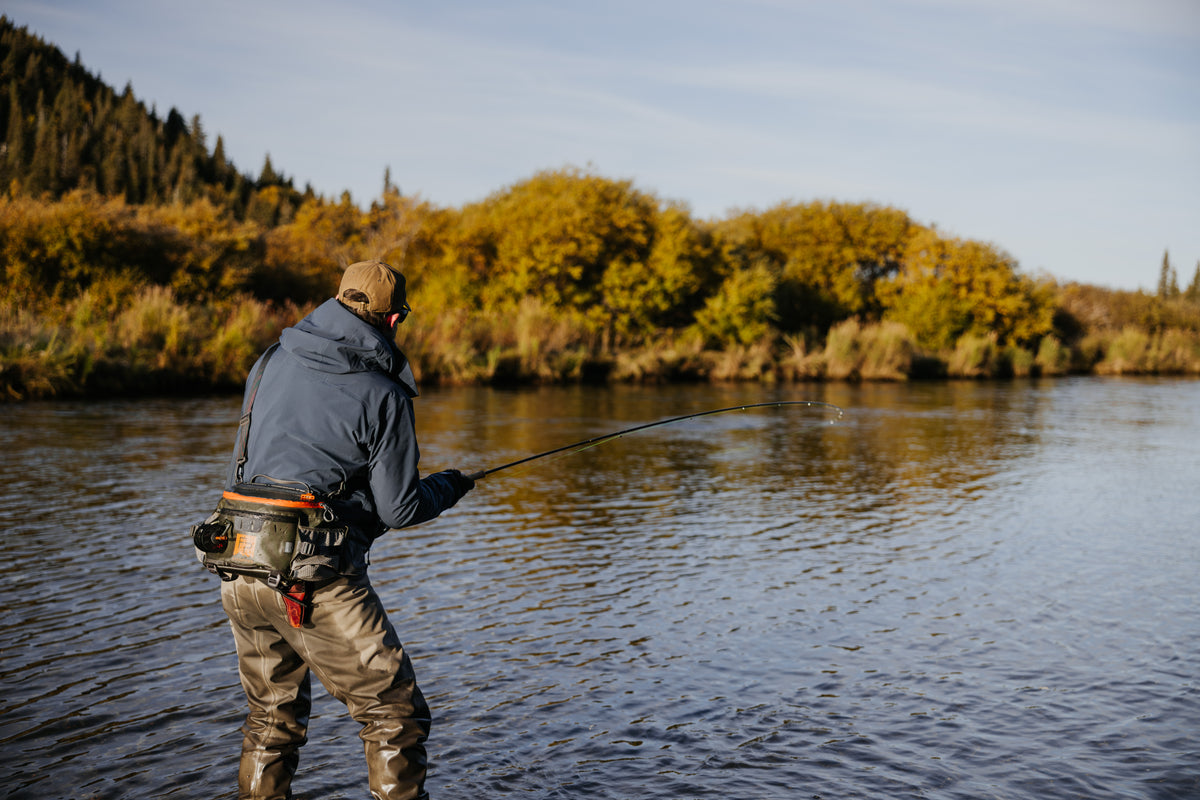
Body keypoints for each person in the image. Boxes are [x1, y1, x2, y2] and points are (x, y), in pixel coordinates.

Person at [217, 260, 474, 800]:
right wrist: (451, 485)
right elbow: (400, 508)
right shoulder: (384, 394)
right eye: (400, 317)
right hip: (315, 579)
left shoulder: (269, 362)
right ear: (393, 319)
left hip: (238, 565)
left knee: (270, 719)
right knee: (393, 715)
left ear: (336, 301)